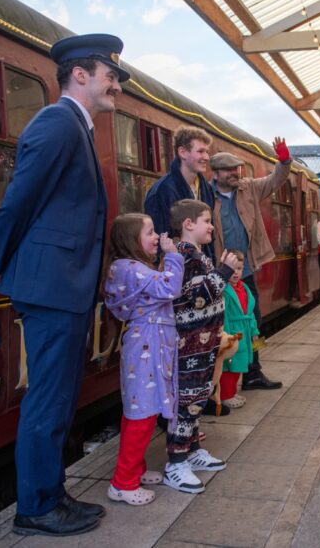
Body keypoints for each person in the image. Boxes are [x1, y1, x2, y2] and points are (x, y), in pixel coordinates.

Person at [0, 34, 128, 536]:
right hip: (52, 287)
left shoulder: (75, 127)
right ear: (80, 75)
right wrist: (2, 257)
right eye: (111, 76)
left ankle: (51, 495)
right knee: (48, 399)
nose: (117, 87)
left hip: (63, 287)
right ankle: (38, 508)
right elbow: (19, 197)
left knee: (60, 398)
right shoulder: (57, 122)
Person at [103, 214, 184, 506]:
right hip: (147, 344)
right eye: (150, 232)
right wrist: (173, 257)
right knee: (142, 414)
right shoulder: (130, 267)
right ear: (130, 239)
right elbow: (170, 288)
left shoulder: (127, 267)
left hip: (147, 343)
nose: (156, 238)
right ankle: (122, 483)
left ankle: (134, 471)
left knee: (139, 410)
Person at [163, 199, 239, 494]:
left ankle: (192, 450)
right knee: (187, 400)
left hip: (203, 343)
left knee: (196, 396)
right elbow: (196, 297)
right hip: (190, 345)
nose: (212, 226)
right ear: (188, 224)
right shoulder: (185, 256)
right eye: (207, 220)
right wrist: (223, 271)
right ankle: (176, 462)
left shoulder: (198, 254)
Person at [209, 139, 292, 391]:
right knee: (223, 327)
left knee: (253, 320)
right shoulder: (205, 193)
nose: (235, 173)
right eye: (229, 170)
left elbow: (275, 180)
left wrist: (284, 161)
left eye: (237, 169)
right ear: (216, 174)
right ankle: (220, 381)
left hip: (244, 272)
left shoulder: (249, 189)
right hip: (219, 275)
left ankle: (254, 370)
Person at [144, 126, 216, 260]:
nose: (206, 157)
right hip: (176, 271)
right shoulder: (162, 191)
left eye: (207, 152)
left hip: (202, 267)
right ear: (182, 152)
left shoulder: (206, 188)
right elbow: (159, 240)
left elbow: (210, 235)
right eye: (200, 151)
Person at [220, 250, 260, 409]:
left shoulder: (245, 288)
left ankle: (232, 392)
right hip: (232, 332)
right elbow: (224, 316)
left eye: (240, 268)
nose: (236, 273)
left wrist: (254, 331)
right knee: (229, 365)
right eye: (233, 268)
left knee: (240, 365)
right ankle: (225, 395)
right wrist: (228, 336)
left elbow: (250, 313)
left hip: (244, 331)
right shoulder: (224, 290)